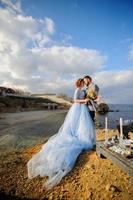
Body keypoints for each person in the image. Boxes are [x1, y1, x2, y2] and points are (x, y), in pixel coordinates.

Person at [27, 78, 96, 189]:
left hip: (83, 109)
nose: (83, 83)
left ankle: (80, 135)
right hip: (78, 108)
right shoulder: (77, 90)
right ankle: (75, 136)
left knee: (82, 125)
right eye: (82, 82)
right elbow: (75, 100)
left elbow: (87, 96)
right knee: (75, 124)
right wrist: (84, 101)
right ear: (80, 83)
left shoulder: (83, 90)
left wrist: (88, 98)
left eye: (84, 82)